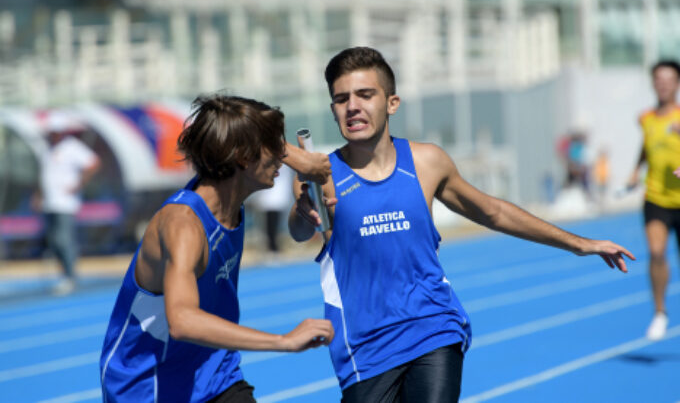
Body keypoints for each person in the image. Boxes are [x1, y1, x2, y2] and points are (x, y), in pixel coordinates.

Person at [288, 47, 634, 402]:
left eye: (365, 94)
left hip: (432, 326)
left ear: (392, 103)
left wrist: (579, 244)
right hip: (365, 347)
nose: (353, 106)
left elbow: (492, 212)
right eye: (341, 99)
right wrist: (301, 212)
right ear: (333, 110)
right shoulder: (322, 176)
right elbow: (299, 232)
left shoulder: (427, 162)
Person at [100, 94, 334, 403]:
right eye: (275, 148)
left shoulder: (229, 203)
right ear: (241, 156)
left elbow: (232, 122)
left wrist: (297, 165)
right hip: (150, 389)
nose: (281, 158)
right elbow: (182, 321)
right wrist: (284, 341)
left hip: (215, 373)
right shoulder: (183, 225)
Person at [626, 59, 680, 341]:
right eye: (658, 79)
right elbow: (646, 146)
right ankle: (660, 312)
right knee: (656, 252)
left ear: (677, 83)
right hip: (656, 197)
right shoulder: (645, 118)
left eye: (669, 79)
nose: (663, 84)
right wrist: (636, 171)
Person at [35, 112, 101, 295]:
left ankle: (70, 277)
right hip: (50, 203)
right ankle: (64, 274)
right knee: (54, 241)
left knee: (63, 240)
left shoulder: (72, 147)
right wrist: (39, 195)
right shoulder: (48, 149)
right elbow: (45, 175)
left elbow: (93, 163)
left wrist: (78, 185)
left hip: (65, 203)